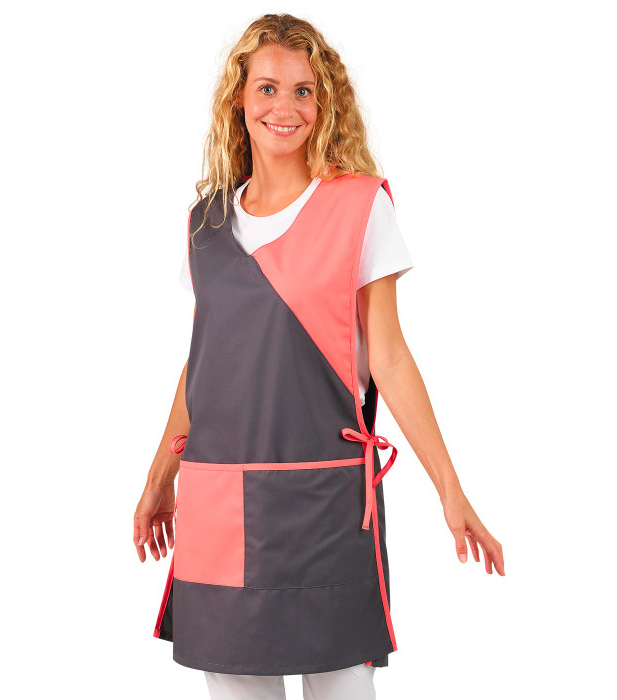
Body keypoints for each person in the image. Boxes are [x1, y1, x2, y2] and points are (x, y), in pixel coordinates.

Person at [134, 13, 505, 700]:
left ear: (324, 102)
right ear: (239, 99)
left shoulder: (359, 207)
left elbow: (390, 358)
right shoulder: (205, 223)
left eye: (303, 91)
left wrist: (450, 492)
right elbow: (203, 363)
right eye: (267, 88)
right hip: (216, 502)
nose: (285, 107)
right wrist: (160, 479)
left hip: (324, 505)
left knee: (341, 685)